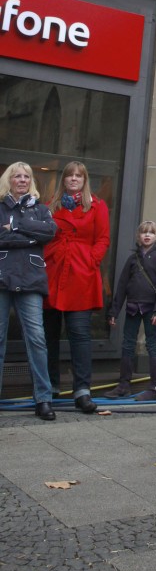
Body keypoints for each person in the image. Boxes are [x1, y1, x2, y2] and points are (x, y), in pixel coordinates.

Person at [43, 161, 110, 413]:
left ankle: (82, 391)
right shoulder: (50, 205)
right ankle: (49, 387)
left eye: (78, 176)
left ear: (84, 180)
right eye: (69, 175)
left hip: (81, 274)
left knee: (80, 335)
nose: (73, 179)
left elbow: (103, 238)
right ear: (63, 179)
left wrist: (91, 260)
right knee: (48, 335)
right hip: (53, 272)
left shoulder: (97, 205)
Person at [0, 162, 57, 421]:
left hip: (31, 280)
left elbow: (50, 232)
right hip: (2, 278)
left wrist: (15, 227)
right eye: (17, 176)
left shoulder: (41, 210)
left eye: (26, 176)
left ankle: (43, 399)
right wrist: (30, 236)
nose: (22, 180)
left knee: (37, 339)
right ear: (9, 180)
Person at [106, 221, 156, 400]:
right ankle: (124, 385)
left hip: (152, 309)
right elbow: (122, 286)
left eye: (151, 233)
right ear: (138, 236)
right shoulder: (133, 259)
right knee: (127, 345)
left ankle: (155, 388)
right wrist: (114, 311)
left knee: (152, 345)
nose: (147, 235)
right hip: (133, 307)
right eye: (144, 232)